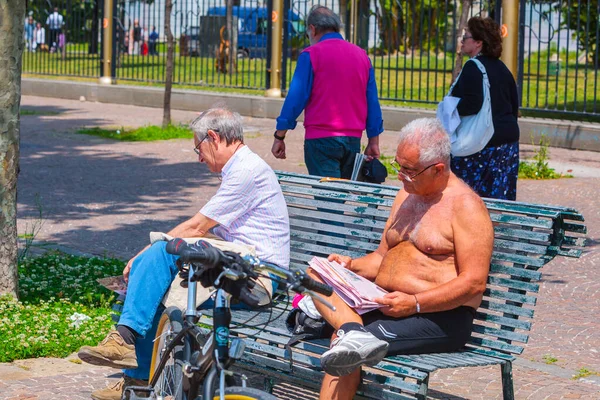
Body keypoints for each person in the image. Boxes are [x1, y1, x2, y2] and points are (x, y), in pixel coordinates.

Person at [77, 108, 291, 400]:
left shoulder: (247, 172)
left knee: (160, 252)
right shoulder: (240, 168)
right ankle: (137, 382)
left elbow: (197, 226)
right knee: (154, 278)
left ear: (212, 138)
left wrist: (145, 253)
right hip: (238, 265)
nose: (199, 157)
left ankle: (124, 340)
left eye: (198, 147)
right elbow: (203, 231)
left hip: (258, 277)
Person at [307, 118, 494, 400]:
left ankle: (351, 333)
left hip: (439, 316)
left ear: (438, 169)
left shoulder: (465, 206)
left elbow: (474, 283)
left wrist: (414, 303)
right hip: (386, 303)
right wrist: (350, 265)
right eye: (399, 166)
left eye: (409, 170)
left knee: (345, 346)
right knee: (315, 277)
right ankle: (352, 329)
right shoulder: (407, 195)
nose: (400, 176)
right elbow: (382, 257)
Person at [271, 5, 383, 179]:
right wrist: (373, 141)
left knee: (328, 200)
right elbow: (372, 102)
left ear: (312, 29)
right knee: (339, 197)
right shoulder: (362, 56)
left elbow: (295, 99)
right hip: (352, 140)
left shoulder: (311, 55)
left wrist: (280, 135)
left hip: (320, 140)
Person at [449, 17, 520, 200]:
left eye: (466, 36)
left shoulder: (473, 67)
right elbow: (513, 105)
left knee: (467, 198)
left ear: (479, 43)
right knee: (499, 200)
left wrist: (449, 108)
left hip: (483, 145)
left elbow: (472, 104)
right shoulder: (502, 68)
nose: (463, 40)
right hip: (507, 143)